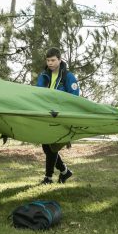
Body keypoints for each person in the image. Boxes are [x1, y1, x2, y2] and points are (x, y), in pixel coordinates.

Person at [36, 47, 79, 184]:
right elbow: (37, 94)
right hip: (46, 116)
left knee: (52, 146)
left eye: (53, 60)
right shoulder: (43, 76)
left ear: (60, 60)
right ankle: (65, 172)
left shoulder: (68, 76)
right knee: (46, 147)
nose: (50, 63)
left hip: (61, 117)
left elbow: (74, 97)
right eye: (48, 60)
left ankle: (48, 178)